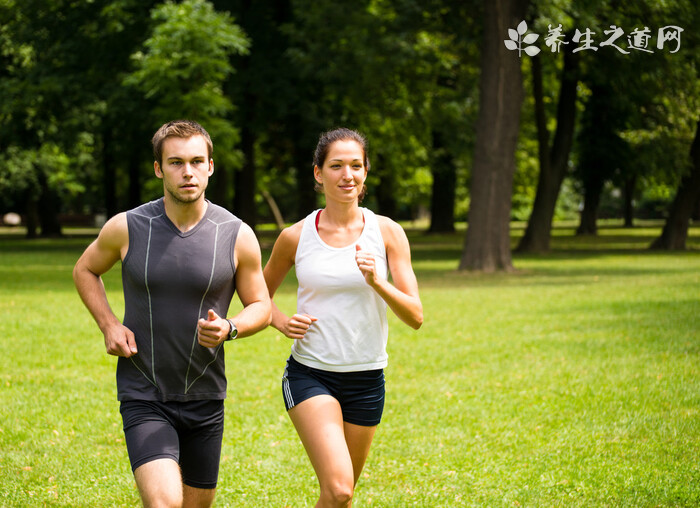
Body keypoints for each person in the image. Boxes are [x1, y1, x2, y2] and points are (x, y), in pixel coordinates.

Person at [73, 119, 271, 507]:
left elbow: (261, 306)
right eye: (176, 162)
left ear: (211, 166)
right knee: (164, 503)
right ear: (158, 168)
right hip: (144, 391)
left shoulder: (236, 233)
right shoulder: (127, 226)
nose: (188, 172)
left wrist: (231, 327)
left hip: (206, 395)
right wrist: (109, 325)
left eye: (197, 161)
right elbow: (85, 269)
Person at [263, 127, 423, 507]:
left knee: (339, 499)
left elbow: (415, 315)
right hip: (310, 374)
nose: (346, 175)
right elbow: (257, 296)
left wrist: (377, 282)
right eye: (336, 165)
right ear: (318, 173)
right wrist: (281, 321)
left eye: (355, 165)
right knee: (340, 488)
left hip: (367, 380)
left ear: (365, 171)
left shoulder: (388, 233)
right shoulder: (296, 236)